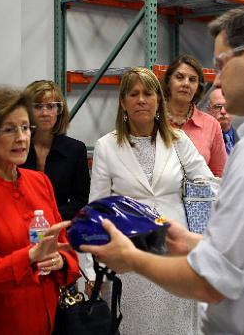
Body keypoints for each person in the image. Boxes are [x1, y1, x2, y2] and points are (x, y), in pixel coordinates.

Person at [82, 1, 244, 334]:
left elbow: (209, 281)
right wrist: (188, 242)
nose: (216, 80)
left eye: (220, 64)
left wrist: (131, 257)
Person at [88, 67, 216, 335]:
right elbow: (96, 211)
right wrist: (90, 271)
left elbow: (207, 187)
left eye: (148, 93)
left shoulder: (179, 141)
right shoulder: (106, 147)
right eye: (133, 94)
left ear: (159, 100)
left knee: (177, 327)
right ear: (123, 103)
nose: (141, 100)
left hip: (175, 254)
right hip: (129, 260)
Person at [0, 85, 80, 335]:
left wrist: (60, 261)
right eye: (9, 129)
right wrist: (31, 256)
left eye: (25, 128)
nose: (21, 137)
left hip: (50, 320)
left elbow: (66, 251)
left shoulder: (40, 182)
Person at [21, 80, 89, 220]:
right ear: (27, 111)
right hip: (19, 223)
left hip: (60, 225)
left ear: (59, 111)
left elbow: (81, 202)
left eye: (51, 106)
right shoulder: (16, 148)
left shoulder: (75, 150)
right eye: (38, 106)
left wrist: (50, 217)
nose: (45, 113)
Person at [163, 54, 226, 177]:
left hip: (200, 196)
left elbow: (218, 174)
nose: (186, 84)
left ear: (197, 87)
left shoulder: (211, 125)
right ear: (168, 82)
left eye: (192, 80)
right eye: (179, 77)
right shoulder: (151, 120)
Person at [207, 88, 239, 154]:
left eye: (227, 106)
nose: (223, 111)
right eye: (218, 107)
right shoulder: (200, 140)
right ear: (209, 110)